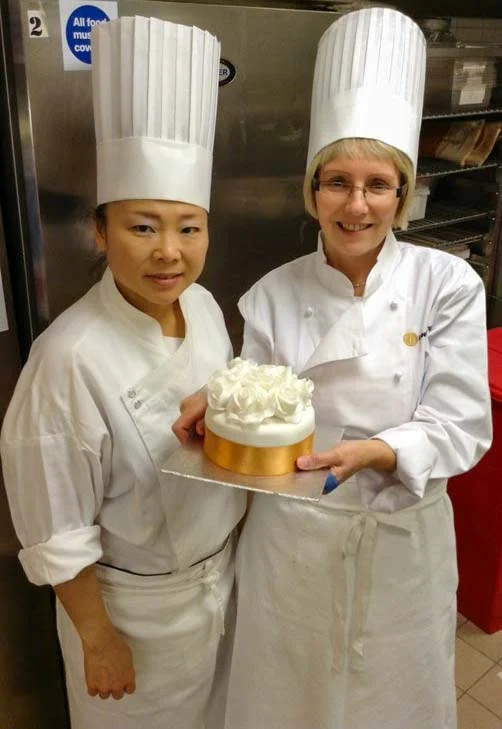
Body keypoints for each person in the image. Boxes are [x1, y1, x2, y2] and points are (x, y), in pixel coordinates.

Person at [173, 9, 492, 729]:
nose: (356, 204)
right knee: (290, 696)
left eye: (378, 184)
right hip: (294, 544)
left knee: (393, 697)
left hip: (400, 538)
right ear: (311, 189)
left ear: (403, 195)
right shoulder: (272, 293)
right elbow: (260, 406)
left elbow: (463, 425)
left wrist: (382, 449)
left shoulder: (448, 284)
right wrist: (216, 404)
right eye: (337, 182)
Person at [1, 16, 245, 729]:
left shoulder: (202, 305)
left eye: (188, 226)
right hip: (131, 615)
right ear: (101, 232)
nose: (169, 251)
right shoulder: (67, 358)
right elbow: (55, 526)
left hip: (221, 586)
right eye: (143, 226)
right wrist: (98, 639)